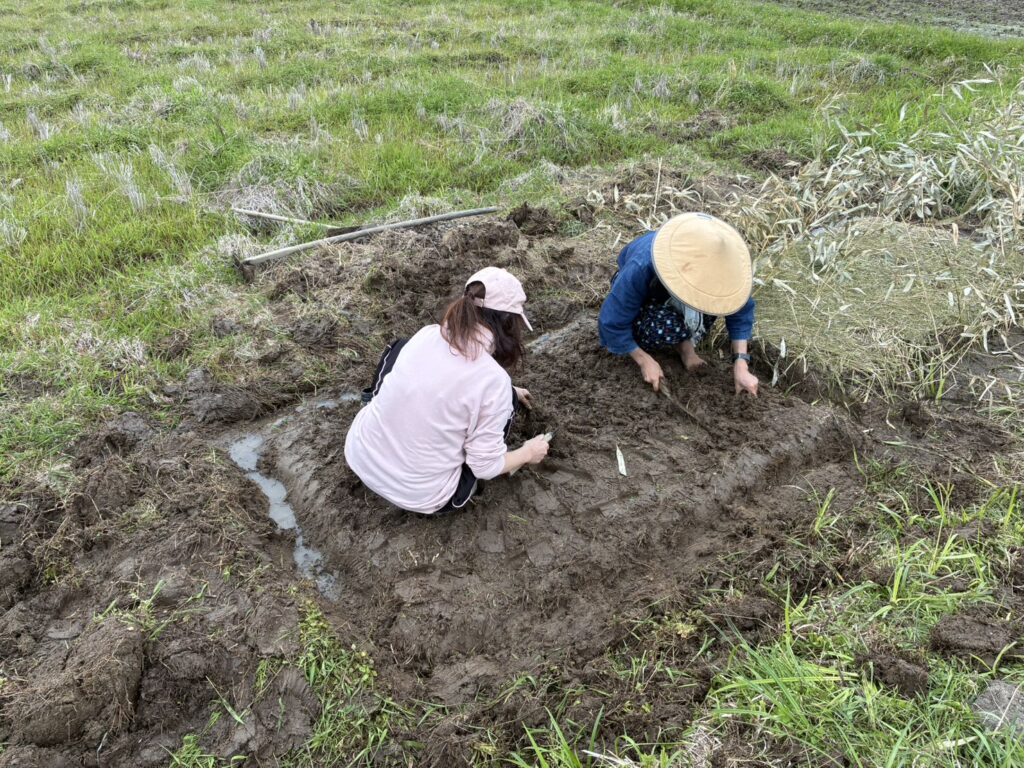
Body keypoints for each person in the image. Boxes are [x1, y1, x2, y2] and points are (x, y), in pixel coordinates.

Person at [344, 267, 550, 515]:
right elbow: (484, 467)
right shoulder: (495, 382)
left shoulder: (427, 334)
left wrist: (507, 391)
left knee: (400, 348)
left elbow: (444, 380)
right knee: (501, 410)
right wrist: (527, 453)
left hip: (359, 455)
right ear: (507, 323)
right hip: (421, 495)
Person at [598, 212, 759, 396]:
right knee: (657, 329)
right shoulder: (643, 265)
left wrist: (741, 364)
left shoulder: (724, 269)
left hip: (679, 297)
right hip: (651, 296)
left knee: (713, 304)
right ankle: (669, 343)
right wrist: (644, 360)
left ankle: (686, 349)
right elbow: (612, 321)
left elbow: (740, 311)